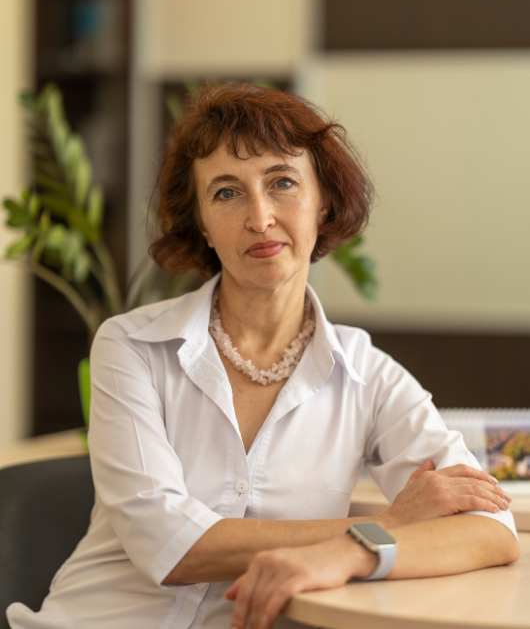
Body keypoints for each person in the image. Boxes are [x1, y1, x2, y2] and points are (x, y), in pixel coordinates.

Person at [7, 83, 518, 629]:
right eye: (227, 193)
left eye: (282, 183)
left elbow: (491, 527)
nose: (260, 216)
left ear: (323, 202)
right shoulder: (131, 346)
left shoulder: (368, 375)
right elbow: (170, 545)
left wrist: (356, 553)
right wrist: (379, 529)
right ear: (202, 224)